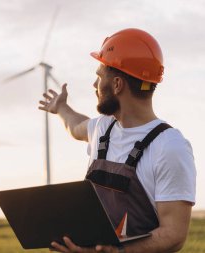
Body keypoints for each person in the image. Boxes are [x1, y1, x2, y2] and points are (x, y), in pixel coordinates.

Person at [38, 28, 196, 253]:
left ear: (118, 84)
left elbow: (173, 235)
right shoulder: (103, 127)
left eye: (99, 76)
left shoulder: (169, 147)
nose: (94, 85)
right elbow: (75, 126)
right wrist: (61, 107)